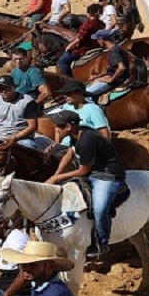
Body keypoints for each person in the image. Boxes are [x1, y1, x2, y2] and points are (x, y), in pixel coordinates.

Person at [47, 110, 125, 259]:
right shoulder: (76, 134)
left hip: (108, 175)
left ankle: (102, 241)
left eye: (58, 126)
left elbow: (83, 170)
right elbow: (70, 154)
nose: (56, 129)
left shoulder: (88, 140)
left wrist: (57, 178)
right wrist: (56, 174)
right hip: (92, 172)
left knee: (100, 209)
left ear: (69, 126)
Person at [0, 74, 43, 151]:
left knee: (29, 146)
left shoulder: (27, 101)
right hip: (0, 137)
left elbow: (32, 126)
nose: (4, 91)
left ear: (14, 87)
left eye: (7, 88)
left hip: (21, 138)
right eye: (0, 88)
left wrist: (15, 137)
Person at [58, 4, 105, 78]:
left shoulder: (87, 24)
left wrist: (69, 46)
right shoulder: (102, 24)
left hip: (83, 49)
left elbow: (79, 39)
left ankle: (68, 79)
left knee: (62, 60)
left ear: (90, 13)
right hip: (96, 47)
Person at [84, 30, 128, 99]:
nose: (97, 42)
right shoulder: (116, 48)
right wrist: (98, 76)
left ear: (102, 40)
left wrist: (111, 79)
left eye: (97, 40)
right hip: (113, 77)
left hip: (115, 81)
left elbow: (122, 67)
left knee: (84, 95)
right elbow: (113, 69)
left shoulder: (114, 51)